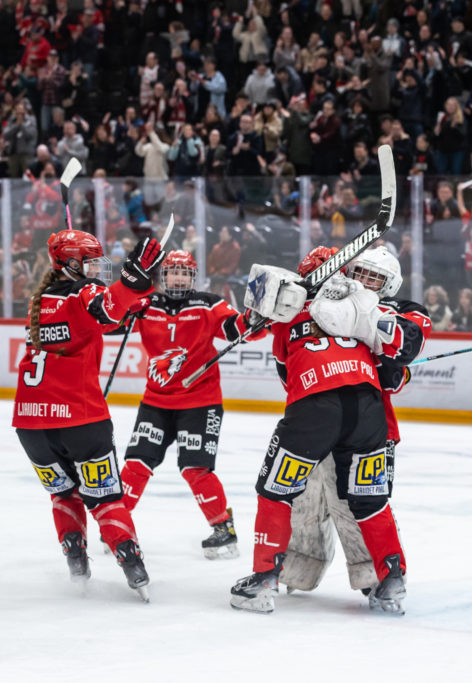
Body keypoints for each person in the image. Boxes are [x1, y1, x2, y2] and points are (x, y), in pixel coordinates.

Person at [229, 245, 430, 615]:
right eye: (361, 273)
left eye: (375, 277)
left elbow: (283, 370)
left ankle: (263, 579)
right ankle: (391, 578)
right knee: (368, 500)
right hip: (368, 411)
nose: (366, 281)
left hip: (315, 406)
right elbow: (395, 363)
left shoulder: (290, 307)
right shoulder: (362, 306)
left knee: (276, 490)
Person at [13, 229, 165, 599]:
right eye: (91, 262)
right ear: (70, 263)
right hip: (80, 419)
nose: (97, 269)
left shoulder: (39, 299)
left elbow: (102, 319)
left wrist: (131, 297)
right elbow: (104, 310)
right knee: (106, 498)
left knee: (64, 495)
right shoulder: (83, 291)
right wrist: (133, 281)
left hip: (31, 423)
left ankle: (76, 564)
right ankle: (133, 566)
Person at [119, 250, 261, 560]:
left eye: (185, 273)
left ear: (193, 278)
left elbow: (238, 330)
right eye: (174, 272)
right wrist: (127, 291)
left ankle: (223, 528)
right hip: (156, 401)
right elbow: (108, 322)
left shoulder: (208, 304)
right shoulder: (147, 304)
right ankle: (116, 525)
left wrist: (255, 318)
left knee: (195, 468)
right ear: (164, 276)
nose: (180, 278)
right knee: (136, 464)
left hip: (200, 402)